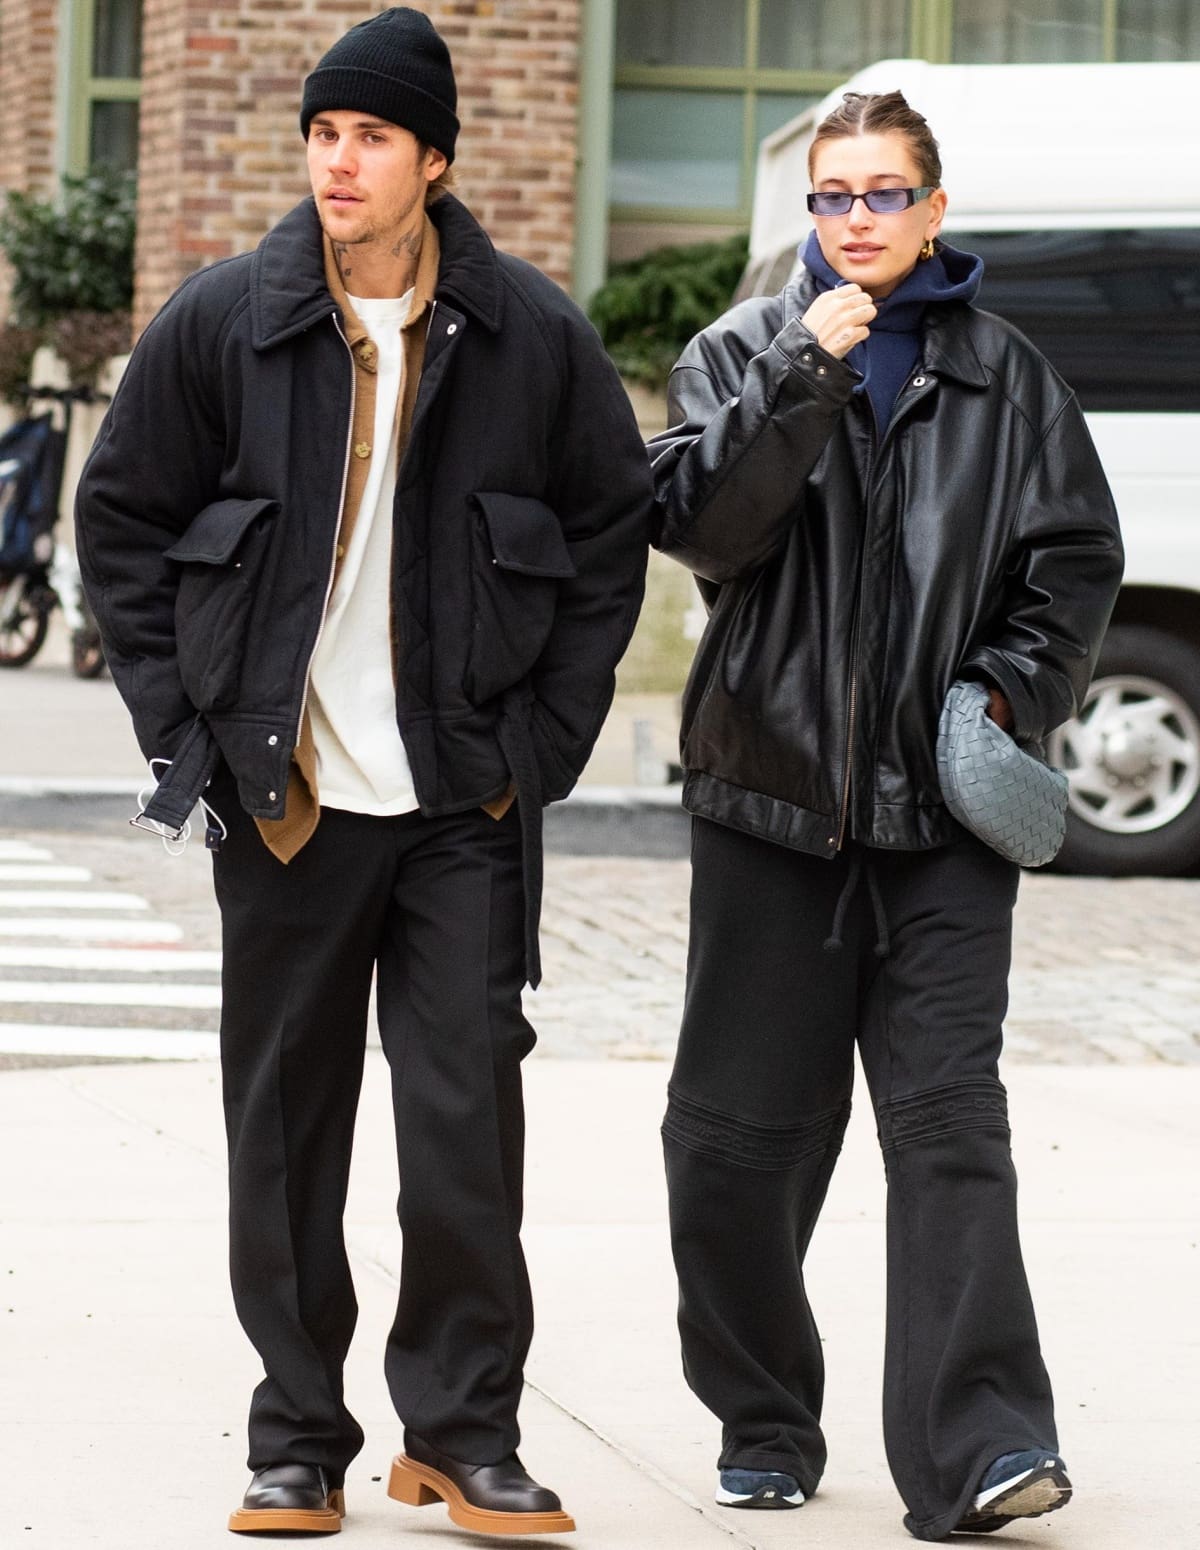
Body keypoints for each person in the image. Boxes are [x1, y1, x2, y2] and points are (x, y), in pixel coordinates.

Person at [76, 7, 650, 1537]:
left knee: (466, 1125)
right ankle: (296, 1435)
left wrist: (542, 745)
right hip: (287, 796)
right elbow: (123, 522)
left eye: (372, 136)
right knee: (284, 1127)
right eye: (326, 133)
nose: (340, 160)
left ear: (434, 159)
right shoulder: (225, 319)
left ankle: (461, 1432)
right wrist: (181, 735)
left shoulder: (530, 332)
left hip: (465, 798)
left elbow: (609, 540)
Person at [648, 90, 1122, 1541]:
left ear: (932, 210)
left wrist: (1000, 697)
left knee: (948, 1124)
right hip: (766, 806)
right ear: (812, 215)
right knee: (737, 1139)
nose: (855, 218)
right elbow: (701, 525)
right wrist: (803, 372)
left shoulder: (1008, 376)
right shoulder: (738, 353)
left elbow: (1076, 563)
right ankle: (764, 1414)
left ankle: (981, 1443)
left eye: (882, 194)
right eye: (832, 196)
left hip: (943, 829)